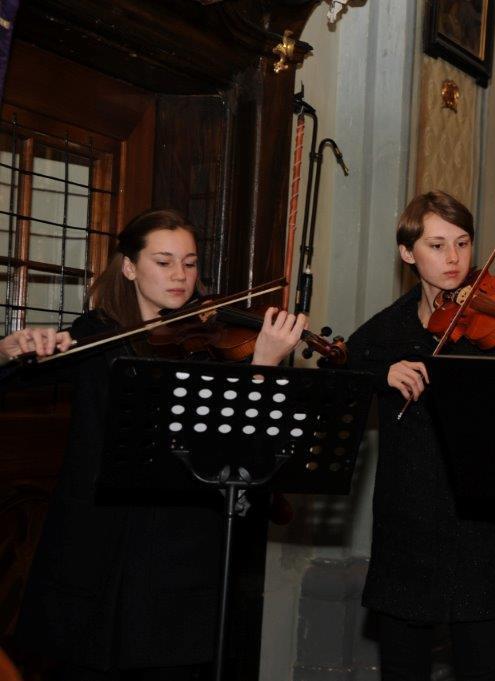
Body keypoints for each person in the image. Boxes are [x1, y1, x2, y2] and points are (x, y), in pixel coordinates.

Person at [16, 208, 305, 680]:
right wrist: (11, 349)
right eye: (164, 261)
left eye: (189, 263)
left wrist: (263, 369)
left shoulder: (211, 344)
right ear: (130, 267)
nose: (179, 275)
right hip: (97, 542)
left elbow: (245, 452)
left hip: (181, 549)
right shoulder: (96, 334)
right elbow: (14, 379)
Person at [344, 191, 495, 681]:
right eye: (437, 245)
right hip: (408, 524)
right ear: (407, 253)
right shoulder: (387, 330)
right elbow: (340, 371)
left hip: (480, 524)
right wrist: (381, 374)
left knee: (483, 667)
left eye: (463, 243)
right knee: (403, 669)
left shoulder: (494, 324)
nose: (453, 258)